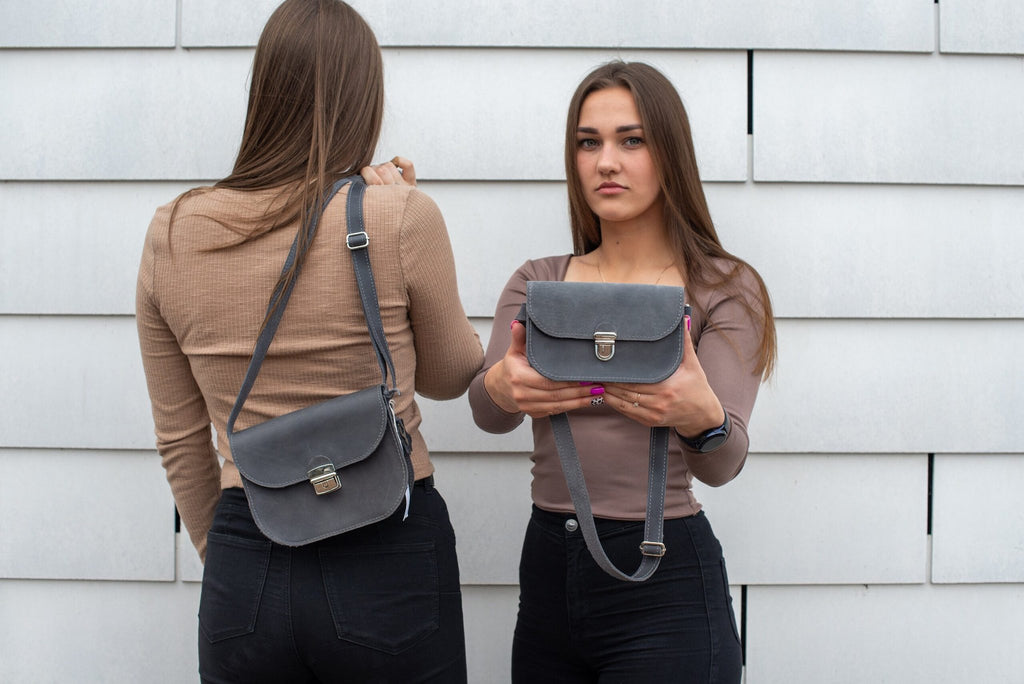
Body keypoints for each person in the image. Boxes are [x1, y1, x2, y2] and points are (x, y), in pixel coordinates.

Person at [135, 1, 482, 681]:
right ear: (364, 99)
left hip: (246, 553)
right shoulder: (396, 215)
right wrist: (403, 212)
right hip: (388, 550)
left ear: (265, 92)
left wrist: (236, 559)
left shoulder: (172, 233)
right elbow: (453, 371)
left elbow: (181, 443)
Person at [468, 61, 777, 683]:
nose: (606, 161)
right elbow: (488, 413)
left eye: (631, 140)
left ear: (671, 154)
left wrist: (705, 420)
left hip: (667, 589)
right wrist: (499, 385)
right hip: (548, 574)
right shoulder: (539, 282)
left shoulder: (724, 289)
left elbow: (721, 465)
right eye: (589, 142)